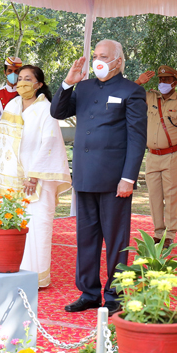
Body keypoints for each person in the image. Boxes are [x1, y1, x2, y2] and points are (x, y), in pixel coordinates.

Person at [50, 40, 147, 314]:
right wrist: (68, 83)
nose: (98, 61)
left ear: (118, 61)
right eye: (95, 55)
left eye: (103, 56)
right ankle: (89, 292)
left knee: (116, 240)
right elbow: (57, 112)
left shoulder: (132, 91)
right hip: (85, 175)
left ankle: (115, 295)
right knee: (86, 238)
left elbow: (137, 139)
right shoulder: (84, 87)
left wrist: (128, 178)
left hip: (115, 179)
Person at [0, 65, 71, 288]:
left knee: (38, 226)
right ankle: (17, 272)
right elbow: (1, 142)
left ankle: (38, 278)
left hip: (39, 179)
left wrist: (33, 176)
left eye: (27, 79)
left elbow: (50, 142)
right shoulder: (12, 105)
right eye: (20, 78)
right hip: (13, 178)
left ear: (39, 84)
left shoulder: (46, 109)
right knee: (15, 226)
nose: (22, 82)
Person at [135, 66, 177, 247]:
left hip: (172, 155)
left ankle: (169, 234)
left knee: (170, 197)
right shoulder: (151, 97)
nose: (162, 83)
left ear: (174, 83)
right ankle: (158, 232)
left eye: (166, 80)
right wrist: (139, 81)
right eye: (160, 80)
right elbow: (127, 93)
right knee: (154, 196)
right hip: (152, 155)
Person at [0, 56, 23, 139]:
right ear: (5, 73)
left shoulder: (25, 92)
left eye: (16, 71)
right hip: (5, 138)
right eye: (10, 71)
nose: (13, 74)